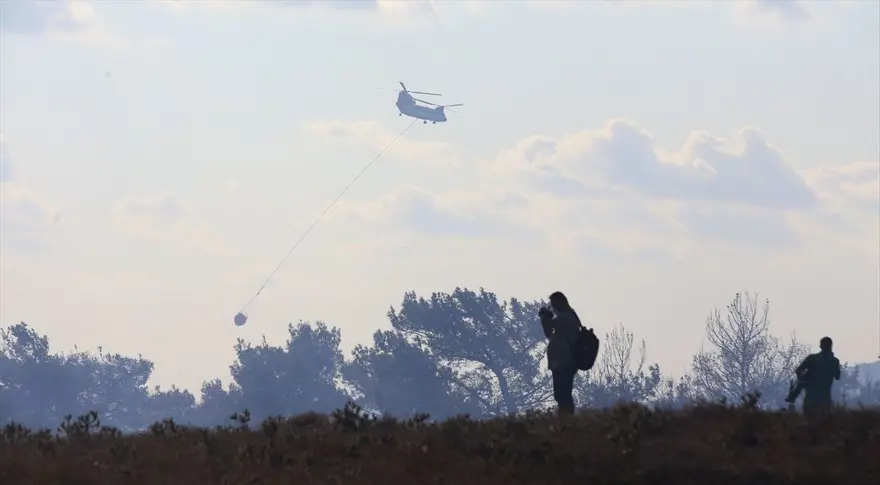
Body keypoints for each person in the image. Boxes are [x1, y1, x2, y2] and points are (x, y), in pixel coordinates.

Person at [539, 291, 582, 416]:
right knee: (562, 394)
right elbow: (551, 333)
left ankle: (566, 418)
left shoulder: (565, 318)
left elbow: (549, 330)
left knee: (562, 395)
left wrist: (544, 318)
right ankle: (565, 417)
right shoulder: (570, 316)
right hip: (563, 361)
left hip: (564, 361)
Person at [786, 336, 841, 414]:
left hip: (810, 401)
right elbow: (837, 376)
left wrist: (802, 380)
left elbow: (798, 370)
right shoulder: (834, 361)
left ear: (820, 346)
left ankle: (792, 397)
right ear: (831, 346)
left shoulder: (812, 358)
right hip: (825, 402)